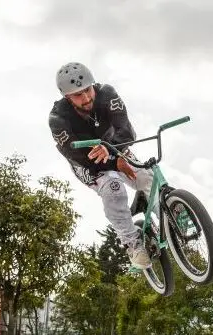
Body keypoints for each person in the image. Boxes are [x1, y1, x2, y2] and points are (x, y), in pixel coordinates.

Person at [48, 62, 153, 269]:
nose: (86, 98)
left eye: (87, 90)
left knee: (146, 177)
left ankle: (173, 213)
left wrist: (116, 151)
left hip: (115, 146)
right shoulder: (57, 118)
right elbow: (78, 154)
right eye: (78, 95)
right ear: (67, 97)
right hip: (87, 162)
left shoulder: (107, 94)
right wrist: (114, 162)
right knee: (114, 190)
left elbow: (127, 130)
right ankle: (132, 243)